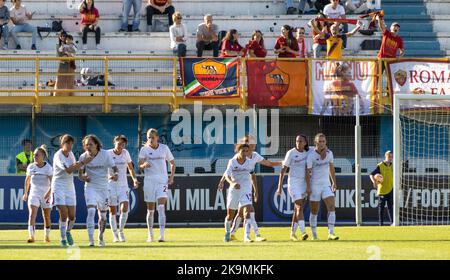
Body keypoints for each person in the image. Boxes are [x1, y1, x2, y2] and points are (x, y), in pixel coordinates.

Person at [220, 135, 281, 242]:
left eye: (247, 151)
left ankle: (247, 236)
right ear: (239, 150)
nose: (245, 153)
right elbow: (227, 174)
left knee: (248, 210)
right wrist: (231, 182)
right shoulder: (233, 161)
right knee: (230, 215)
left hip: (246, 188)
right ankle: (228, 232)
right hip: (234, 190)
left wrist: (255, 190)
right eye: (243, 151)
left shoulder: (250, 161)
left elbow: (253, 174)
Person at [49, 134, 89, 247]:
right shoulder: (58, 156)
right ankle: (62, 239)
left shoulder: (71, 154)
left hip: (69, 186)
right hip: (58, 186)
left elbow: (76, 166)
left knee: (72, 216)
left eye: (71, 143)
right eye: (67, 143)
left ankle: (67, 232)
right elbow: (68, 170)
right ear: (62, 144)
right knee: (64, 213)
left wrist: (82, 174)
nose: (70, 145)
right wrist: (83, 162)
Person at [79, 134, 118, 247]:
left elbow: (114, 167)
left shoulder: (105, 154)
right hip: (90, 187)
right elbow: (80, 175)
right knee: (91, 211)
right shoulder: (83, 157)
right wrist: (84, 177)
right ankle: (91, 240)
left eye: (90, 144)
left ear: (96, 145)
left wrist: (115, 174)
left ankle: (100, 237)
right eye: (86, 145)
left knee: (103, 217)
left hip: (103, 188)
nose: (88, 147)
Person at [138, 128, 175, 242]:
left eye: (152, 137)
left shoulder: (164, 148)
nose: (150, 139)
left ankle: (162, 235)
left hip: (162, 181)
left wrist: (171, 177)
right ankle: (150, 234)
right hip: (149, 181)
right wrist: (144, 165)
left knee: (161, 207)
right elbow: (139, 164)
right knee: (150, 210)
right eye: (149, 137)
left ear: (157, 138)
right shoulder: (144, 149)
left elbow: (172, 163)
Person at [277, 135, 310, 241]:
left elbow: (321, 146)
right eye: (297, 141)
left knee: (298, 209)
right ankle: (304, 232)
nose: (298, 143)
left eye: (301, 141)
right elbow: (283, 170)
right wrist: (279, 186)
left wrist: (308, 186)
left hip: (303, 183)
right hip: (293, 183)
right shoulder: (291, 153)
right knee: (299, 206)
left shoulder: (308, 152)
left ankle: (292, 233)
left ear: (305, 142)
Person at [306, 133, 339, 240]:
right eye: (319, 141)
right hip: (315, 186)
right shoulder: (311, 155)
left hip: (326, 185)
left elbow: (331, 168)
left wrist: (334, 182)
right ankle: (314, 235)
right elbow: (308, 172)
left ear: (326, 142)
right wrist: (308, 187)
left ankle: (331, 233)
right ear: (315, 142)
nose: (321, 143)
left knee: (331, 207)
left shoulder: (329, 153)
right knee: (314, 211)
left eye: (323, 141)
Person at [107, 135, 139, 242]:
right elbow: (102, 170)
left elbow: (130, 168)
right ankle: (114, 234)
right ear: (114, 143)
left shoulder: (126, 153)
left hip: (123, 186)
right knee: (112, 211)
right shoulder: (108, 154)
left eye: (123, 144)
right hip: (110, 186)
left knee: (124, 208)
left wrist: (134, 179)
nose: (121, 146)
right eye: (119, 143)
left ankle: (120, 231)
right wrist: (109, 177)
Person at [22, 145, 52, 243]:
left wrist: (48, 193)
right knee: (32, 214)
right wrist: (25, 193)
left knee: (46, 216)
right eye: (34, 155)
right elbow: (27, 181)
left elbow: (53, 182)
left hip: (46, 194)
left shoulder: (48, 167)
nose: (34, 156)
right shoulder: (31, 167)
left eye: (37, 155)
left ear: (43, 156)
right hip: (34, 193)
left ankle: (46, 236)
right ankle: (31, 237)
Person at [370, 151, 393, 226]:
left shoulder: (393, 165)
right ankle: (381, 224)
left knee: (390, 207)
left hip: (390, 189)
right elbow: (371, 174)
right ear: (385, 156)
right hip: (382, 190)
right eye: (389, 156)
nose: (390, 158)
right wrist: (374, 182)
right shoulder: (380, 165)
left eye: (391, 157)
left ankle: (392, 223)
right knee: (381, 208)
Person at [54, 32, 77, 96]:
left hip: (70, 65)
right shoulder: (59, 46)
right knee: (59, 81)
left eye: (65, 36)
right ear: (60, 37)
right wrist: (67, 55)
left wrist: (68, 55)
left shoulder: (72, 45)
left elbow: (74, 53)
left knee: (70, 81)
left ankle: (70, 95)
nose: (63, 37)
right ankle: (57, 95)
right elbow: (59, 56)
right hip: (62, 65)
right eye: (62, 36)